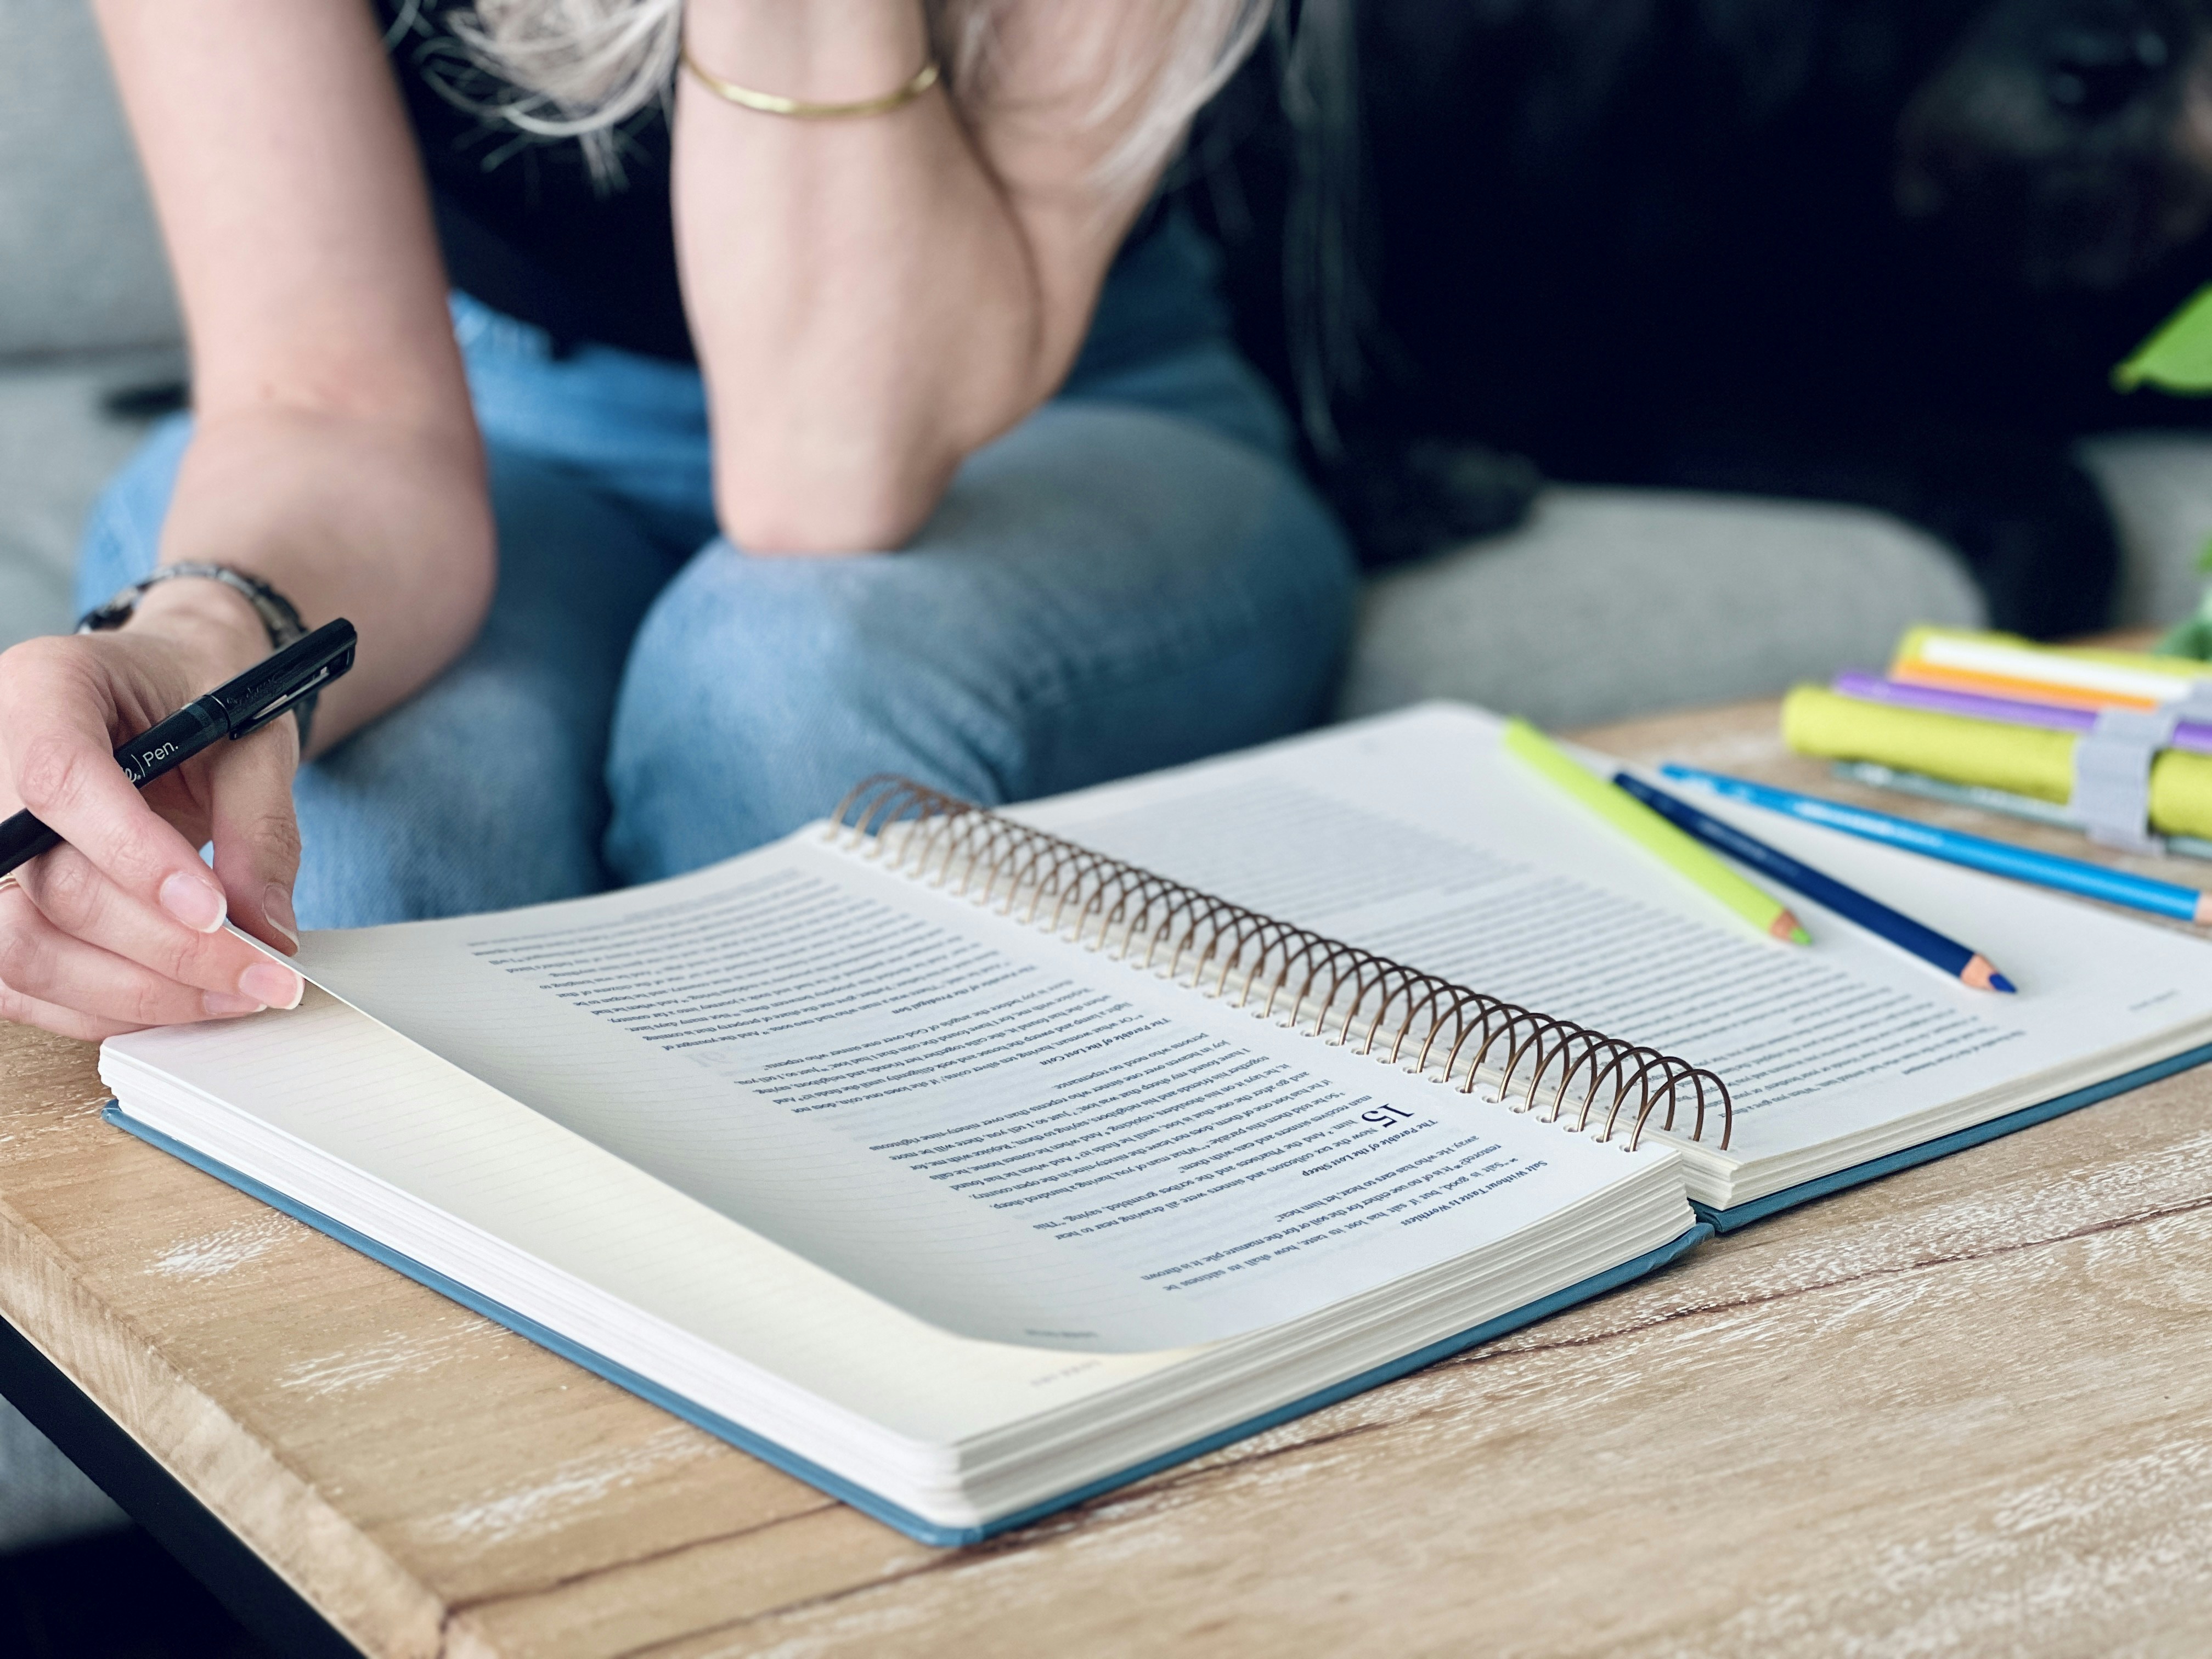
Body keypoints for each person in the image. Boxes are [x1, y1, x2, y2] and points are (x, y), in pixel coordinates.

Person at [0, 1, 1356, 1041]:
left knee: (785, 689)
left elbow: (826, 462)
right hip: (473, 406)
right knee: (355, 845)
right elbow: (328, 393)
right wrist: (200, 645)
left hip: (1047, 413)